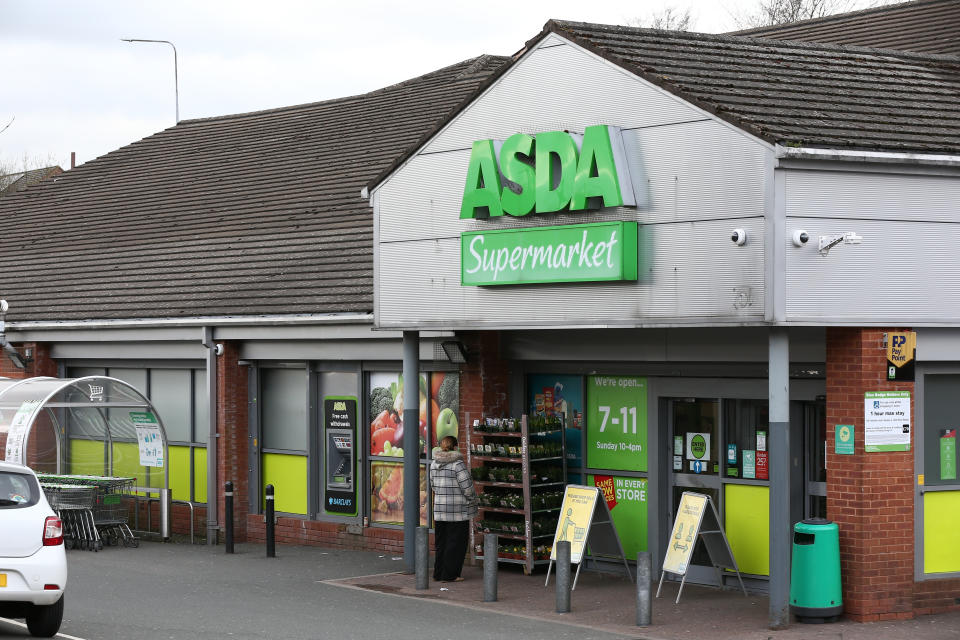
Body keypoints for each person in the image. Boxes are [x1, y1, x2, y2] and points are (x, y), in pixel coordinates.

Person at [429, 435, 478, 582]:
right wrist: (473, 500)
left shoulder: (433, 464)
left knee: (441, 543)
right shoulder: (457, 465)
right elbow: (467, 488)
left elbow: (432, 485)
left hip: (439, 511)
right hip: (457, 511)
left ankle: (438, 573)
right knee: (455, 544)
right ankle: (450, 574)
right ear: (455, 447)